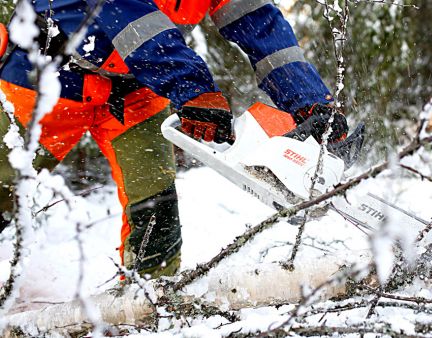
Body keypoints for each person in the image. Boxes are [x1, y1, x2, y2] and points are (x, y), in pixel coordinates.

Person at [0, 0, 348, 278]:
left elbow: (257, 20)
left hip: (135, 89)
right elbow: (128, 14)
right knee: (2, 184)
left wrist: (307, 100)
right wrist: (192, 88)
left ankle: (147, 300)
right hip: (46, 76)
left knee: (154, 205)